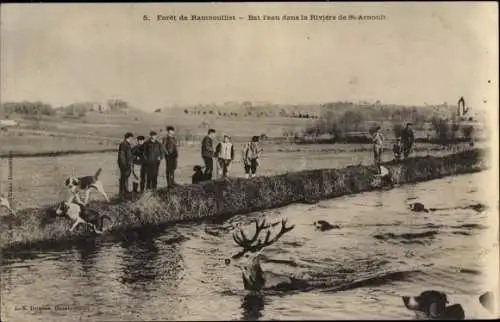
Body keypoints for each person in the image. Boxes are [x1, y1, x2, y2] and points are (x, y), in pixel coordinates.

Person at [117, 132, 134, 196]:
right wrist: (125, 165)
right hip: (124, 164)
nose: (132, 139)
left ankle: (124, 191)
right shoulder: (124, 144)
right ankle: (122, 192)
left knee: (125, 177)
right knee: (123, 177)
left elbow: (128, 155)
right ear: (129, 137)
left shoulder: (126, 144)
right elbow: (122, 156)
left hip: (126, 164)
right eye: (131, 138)